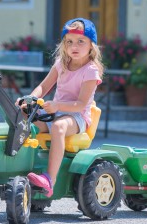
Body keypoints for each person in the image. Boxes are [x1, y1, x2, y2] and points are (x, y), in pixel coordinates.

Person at [23, 18, 104, 197]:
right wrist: (30, 99)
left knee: (59, 127)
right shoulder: (61, 64)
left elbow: (82, 104)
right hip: (56, 112)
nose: (74, 46)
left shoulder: (90, 71)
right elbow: (43, 87)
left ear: (92, 45)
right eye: (69, 42)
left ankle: (49, 180)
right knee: (25, 120)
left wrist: (58, 105)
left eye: (80, 41)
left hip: (77, 117)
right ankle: (22, 167)